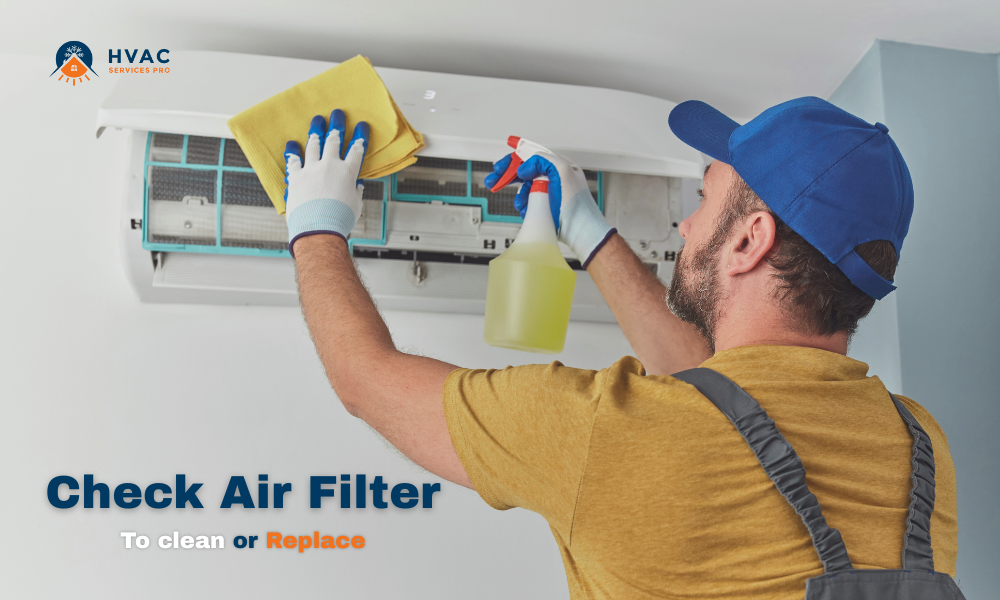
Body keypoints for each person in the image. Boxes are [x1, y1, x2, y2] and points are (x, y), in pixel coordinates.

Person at [281, 99, 958, 599]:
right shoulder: (919, 442)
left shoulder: (605, 433)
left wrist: (316, 227)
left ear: (751, 240)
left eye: (702, 200)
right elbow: (720, 403)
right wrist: (587, 228)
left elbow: (366, 381)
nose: (687, 225)